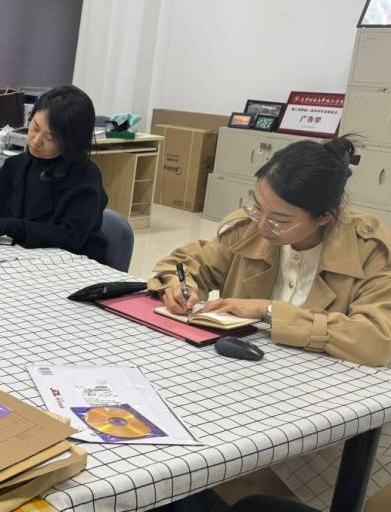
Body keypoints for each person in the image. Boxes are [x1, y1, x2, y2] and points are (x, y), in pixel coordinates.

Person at [149, 136, 391, 367]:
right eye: (257, 207)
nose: (262, 226)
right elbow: (183, 264)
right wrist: (180, 288)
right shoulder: (248, 228)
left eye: (279, 220)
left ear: (324, 217)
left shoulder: (370, 251)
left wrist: (268, 310)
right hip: (239, 370)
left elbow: (376, 340)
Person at [0, 85, 108, 260]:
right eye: (35, 127)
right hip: (15, 259)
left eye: (50, 138)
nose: (36, 141)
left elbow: (69, 237)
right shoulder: (17, 164)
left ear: (71, 142)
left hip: (67, 265)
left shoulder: (86, 179)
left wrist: (6, 226)